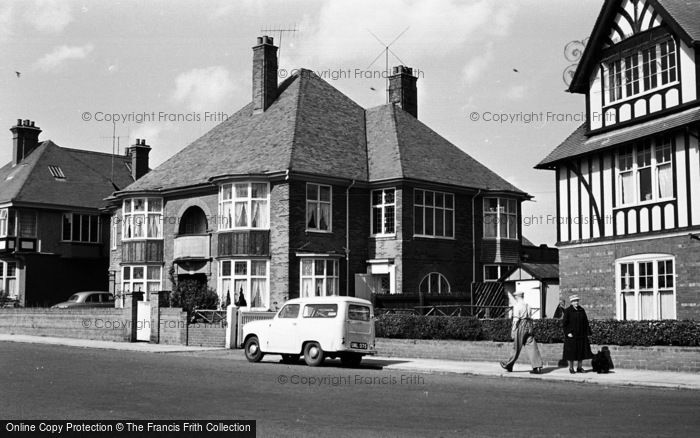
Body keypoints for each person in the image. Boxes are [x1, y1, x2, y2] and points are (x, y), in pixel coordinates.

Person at [500, 290, 544, 374]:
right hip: (529, 325)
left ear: (517, 297)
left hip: (521, 325)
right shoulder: (528, 306)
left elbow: (516, 320)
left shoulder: (517, 306)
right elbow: (530, 317)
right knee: (532, 346)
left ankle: (508, 365)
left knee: (516, 347)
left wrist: (513, 330)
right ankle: (537, 367)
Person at [562, 294, 593, 373]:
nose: (576, 302)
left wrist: (587, 332)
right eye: (574, 301)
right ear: (571, 302)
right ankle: (571, 368)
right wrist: (568, 332)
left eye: (577, 301)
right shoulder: (568, 311)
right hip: (571, 335)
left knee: (581, 352)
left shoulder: (581, 310)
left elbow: (586, 322)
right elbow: (564, 323)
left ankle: (579, 368)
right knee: (571, 353)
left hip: (581, 334)